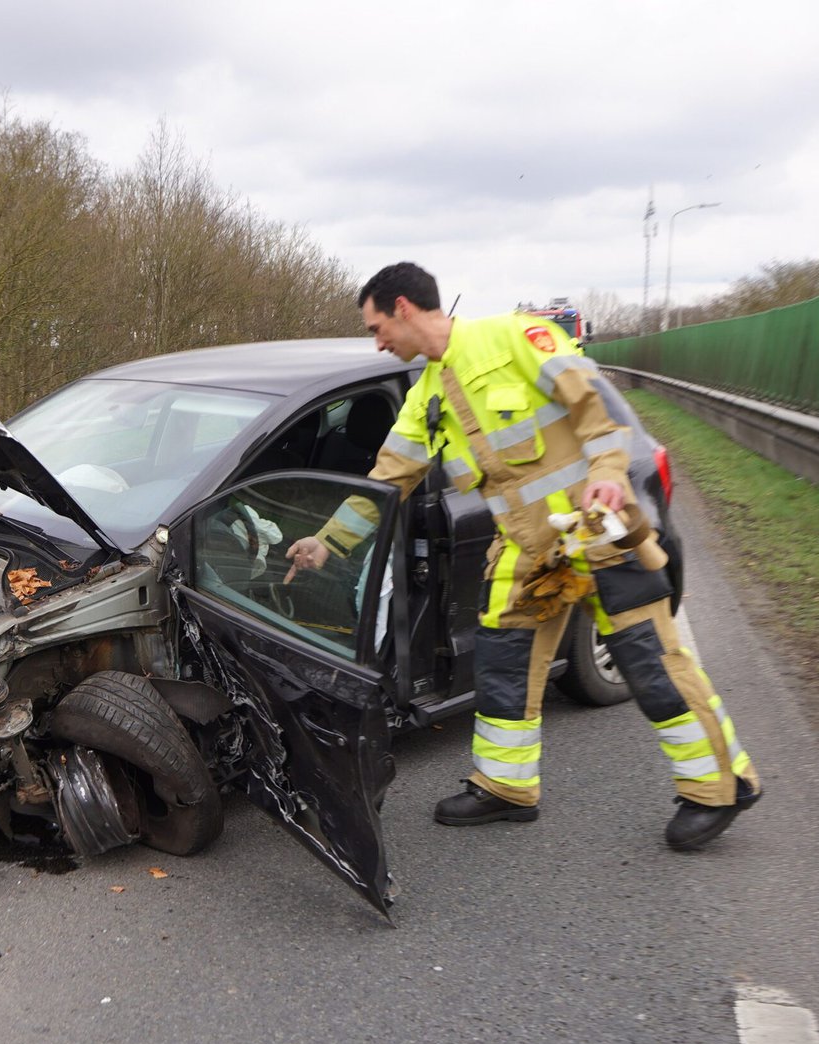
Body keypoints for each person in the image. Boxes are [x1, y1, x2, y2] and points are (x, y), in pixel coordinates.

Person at [284, 262, 760, 850]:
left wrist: (609, 471)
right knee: (503, 663)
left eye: (377, 327)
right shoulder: (427, 393)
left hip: (598, 531)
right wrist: (326, 542)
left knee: (650, 661)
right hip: (524, 547)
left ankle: (720, 786)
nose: (378, 342)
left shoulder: (515, 336)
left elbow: (595, 408)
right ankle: (505, 787)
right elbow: (388, 481)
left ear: (403, 308)